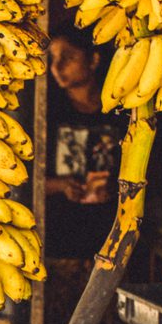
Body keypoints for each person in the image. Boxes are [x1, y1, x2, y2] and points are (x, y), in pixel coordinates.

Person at [44, 26, 121, 259]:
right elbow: (25, 181)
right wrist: (62, 185)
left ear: (93, 60)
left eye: (68, 58)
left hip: (110, 235)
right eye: (53, 58)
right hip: (58, 238)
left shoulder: (119, 110)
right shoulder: (47, 111)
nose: (56, 67)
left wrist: (115, 188)